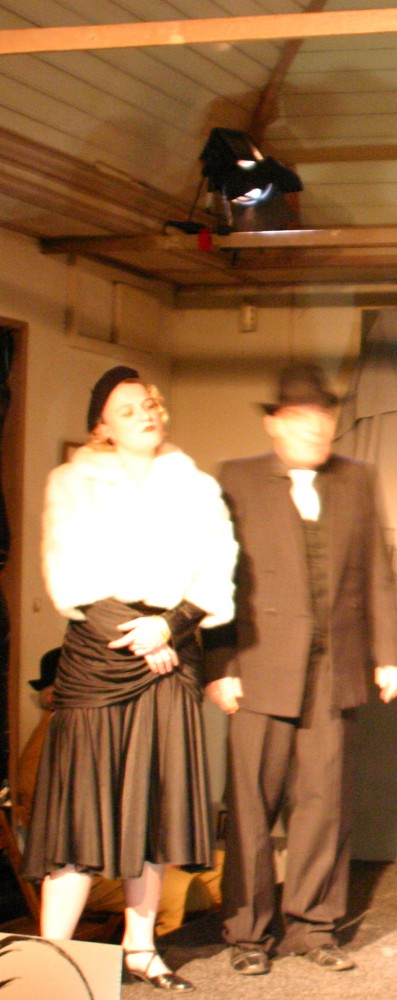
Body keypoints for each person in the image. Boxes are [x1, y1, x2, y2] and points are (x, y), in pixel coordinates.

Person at [24, 366, 238, 992]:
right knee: (80, 812)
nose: (144, 414)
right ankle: (52, 962)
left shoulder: (195, 485)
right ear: (102, 426)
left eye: (148, 403)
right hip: (100, 656)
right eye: (127, 409)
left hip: (170, 654)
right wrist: (140, 637)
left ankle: (141, 948)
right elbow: (69, 572)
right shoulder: (72, 482)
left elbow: (217, 568)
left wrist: (168, 628)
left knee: (153, 807)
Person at [207, 363, 397, 976]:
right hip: (259, 664)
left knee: (324, 803)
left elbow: (376, 572)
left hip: (332, 668)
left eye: (323, 417)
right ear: (274, 424)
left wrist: (388, 654)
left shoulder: (356, 479)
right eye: (300, 418)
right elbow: (215, 579)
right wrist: (219, 665)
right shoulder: (236, 479)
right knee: (250, 806)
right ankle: (248, 932)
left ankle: (313, 927)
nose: (315, 428)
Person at [13, 648, 225, 938]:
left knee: (222, 870)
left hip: (126, 848)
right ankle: (158, 945)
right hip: (91, 861)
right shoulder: (64, 736)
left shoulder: (123, 726)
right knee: (183, 889)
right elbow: (57, 824)